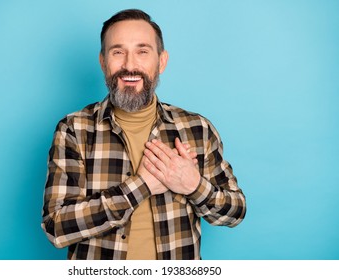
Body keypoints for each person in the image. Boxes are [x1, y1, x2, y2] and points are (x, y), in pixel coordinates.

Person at [41, 9, 246, 260]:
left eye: (142, 51)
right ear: (103, 62)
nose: (129, 65)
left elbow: (235, 212)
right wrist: (143, 185)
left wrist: (193, 185)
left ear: (161, 61)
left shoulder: (197, 129)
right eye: (118, 52)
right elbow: (56, 227)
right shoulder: (74, 130)